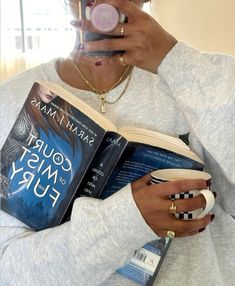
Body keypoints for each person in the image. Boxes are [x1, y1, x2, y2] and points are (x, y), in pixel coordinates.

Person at [0, 0, 234, 285]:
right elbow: (10, 269)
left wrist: (173, 60)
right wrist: (128, 220)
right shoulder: (11, 100)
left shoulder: (206, 84)